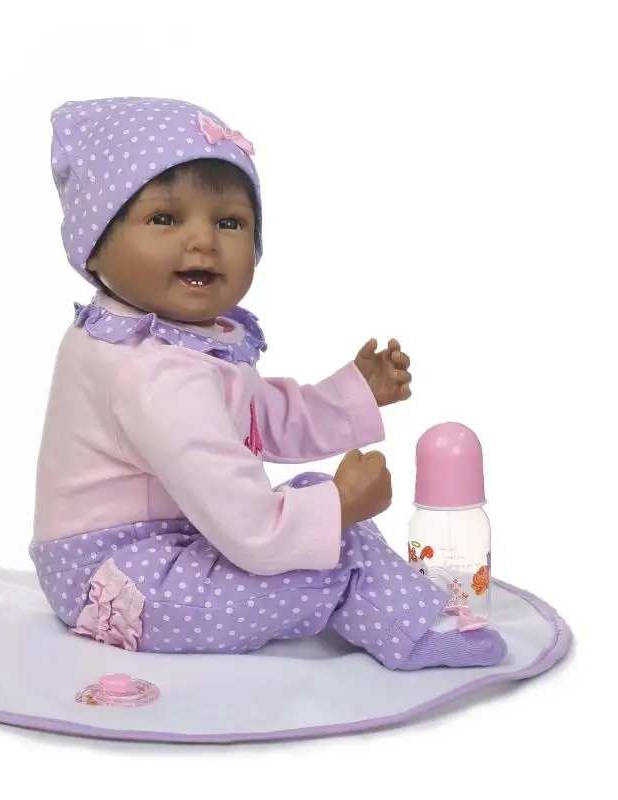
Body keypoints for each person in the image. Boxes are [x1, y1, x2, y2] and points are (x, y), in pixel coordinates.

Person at [29, 96, 507, 670]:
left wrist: (353, 394)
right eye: (165, 219)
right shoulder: (156, 375)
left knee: (316, 501)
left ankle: (401, 608)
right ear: (94, 244)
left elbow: (253, 418)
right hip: (123, 583)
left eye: (229, 222)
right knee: (329, 556)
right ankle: (408, 631)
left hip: (162, 543)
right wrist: (341, 505)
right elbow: (247, 526)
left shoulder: (157, 336)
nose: (203, 241)